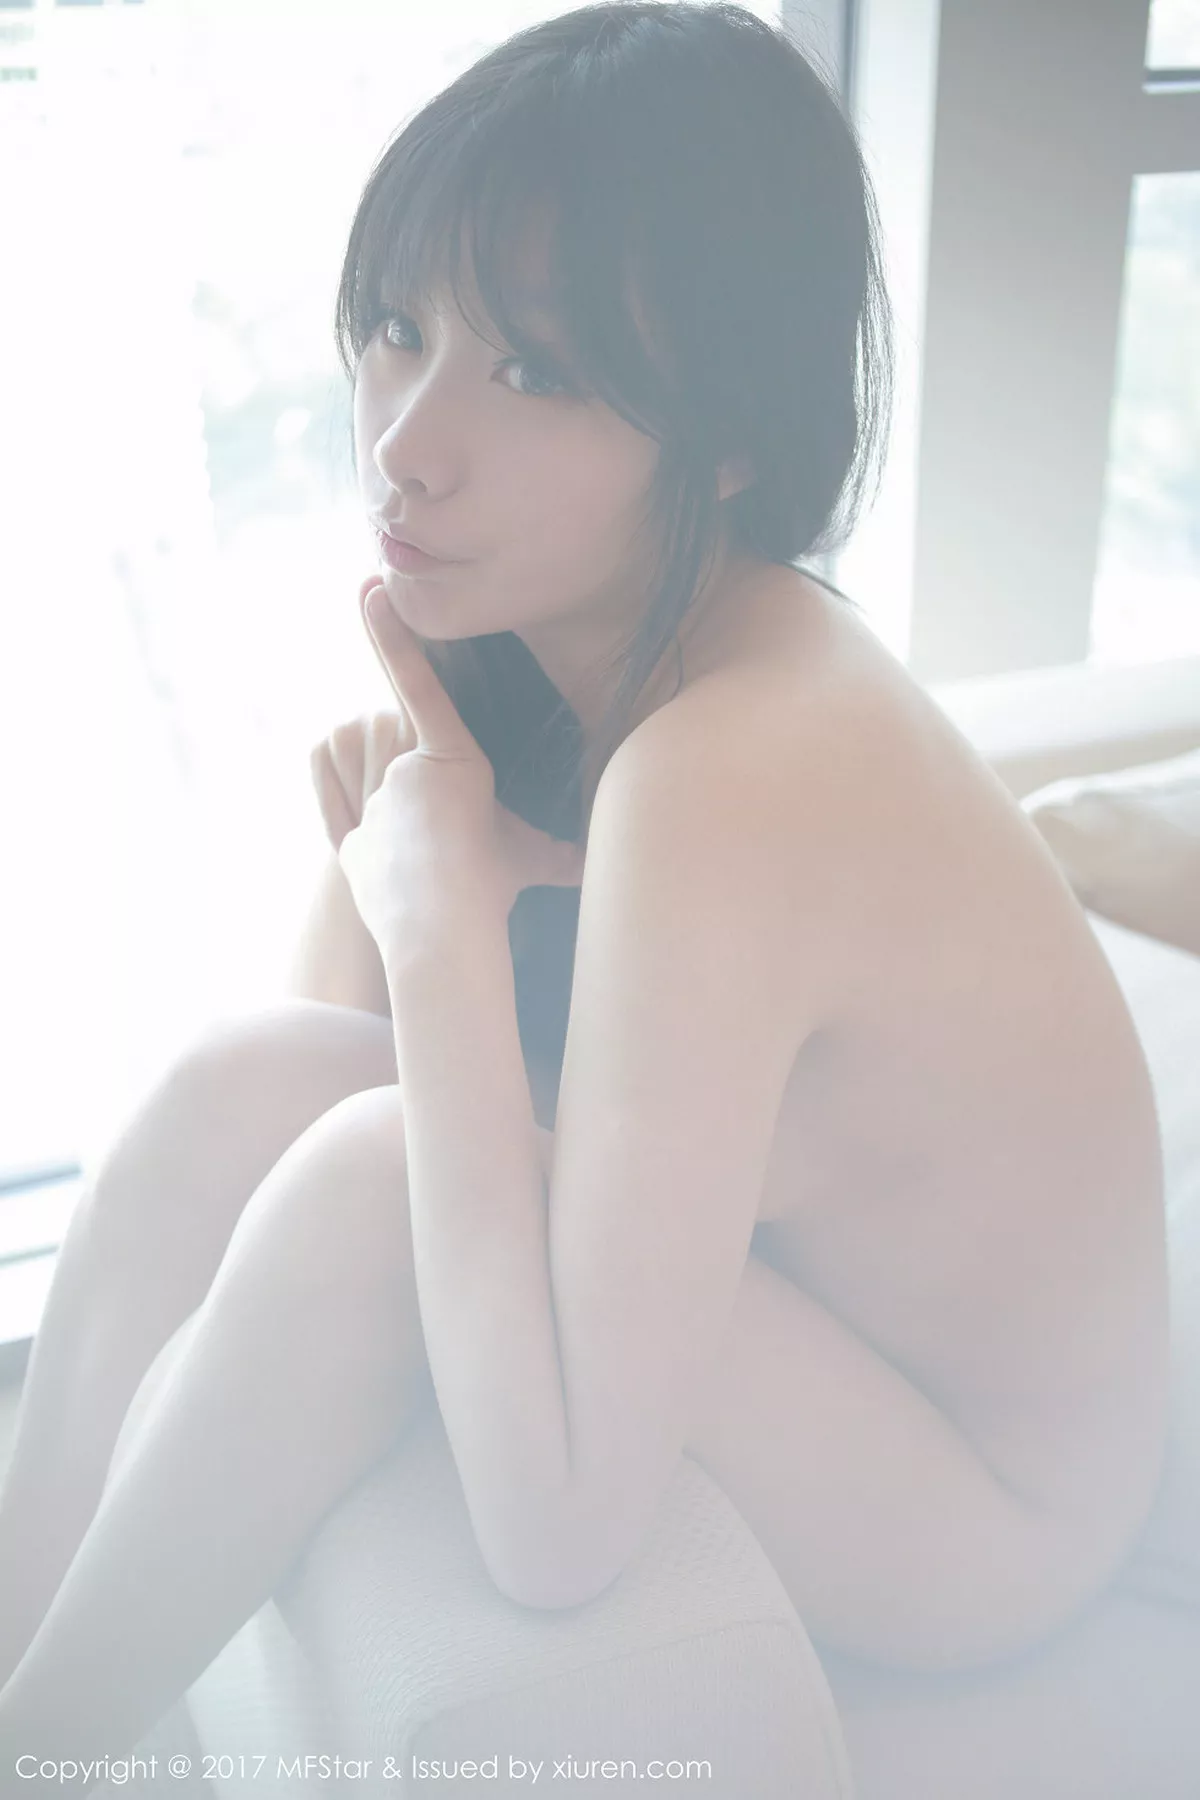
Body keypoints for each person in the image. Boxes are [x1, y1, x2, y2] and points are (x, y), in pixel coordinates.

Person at [0, 0, 1169, 1778]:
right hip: (781, 1291)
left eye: (533, 373)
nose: (406, 442)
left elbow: (557, 1516)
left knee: (370, 1181)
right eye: (400, 330)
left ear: (727, 439)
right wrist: (414, 849)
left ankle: (41, 1751)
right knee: (227, 1080)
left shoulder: (737, 762)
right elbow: (309, 1068)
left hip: (985, 1507)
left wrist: (435, 906)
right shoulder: (551, 634)